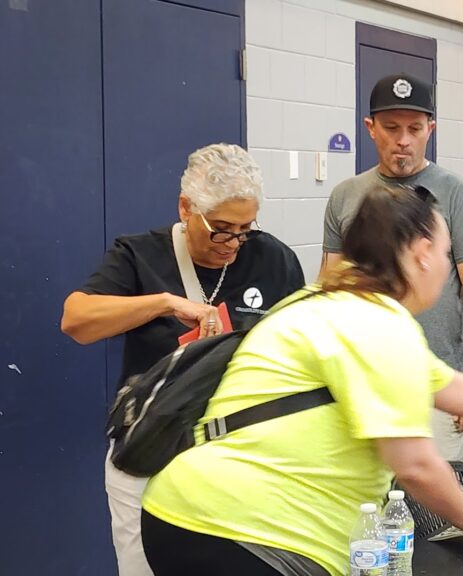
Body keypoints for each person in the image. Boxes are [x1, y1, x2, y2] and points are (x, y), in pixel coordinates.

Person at [141, 185, 463, 576]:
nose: (445, 266)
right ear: (421, 253)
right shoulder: (377, 323)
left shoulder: (321, 301)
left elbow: (449, 388)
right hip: (250, 535)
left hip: (189, 516)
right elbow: (415, 465)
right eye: (445, 252)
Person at [60, 143, 306, 576]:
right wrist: (161, 303)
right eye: (222, 229)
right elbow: (76, 321)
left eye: (245, 229)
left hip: (237, 457)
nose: (233, 243)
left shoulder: (274, 259)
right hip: (150, 450)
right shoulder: (139, 255)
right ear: (186, 207)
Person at [321, 73, 463, 462]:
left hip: (436, 381)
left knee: (436, 509)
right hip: (363, 379)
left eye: (415, 129)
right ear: (370, 128)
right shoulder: (345, 196)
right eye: (391, 128)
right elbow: (331, 282)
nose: (403, 140)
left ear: (430, 129)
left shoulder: (457, 194)